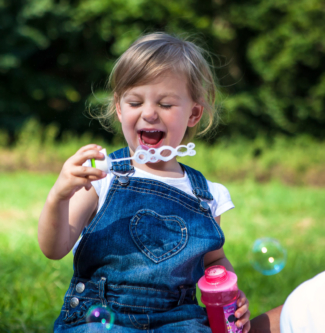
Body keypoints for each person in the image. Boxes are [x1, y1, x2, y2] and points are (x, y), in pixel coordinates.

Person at [38, 32, 250, 332]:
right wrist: (58, 196)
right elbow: (54, 248)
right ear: (120, 108)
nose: (149, 113)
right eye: (136, 101)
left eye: (165, 104)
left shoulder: (207, 195)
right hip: (101, 317)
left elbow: (214, 260)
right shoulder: (102, 177)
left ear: (194, 113)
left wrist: (230, 294)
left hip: (179, 319)